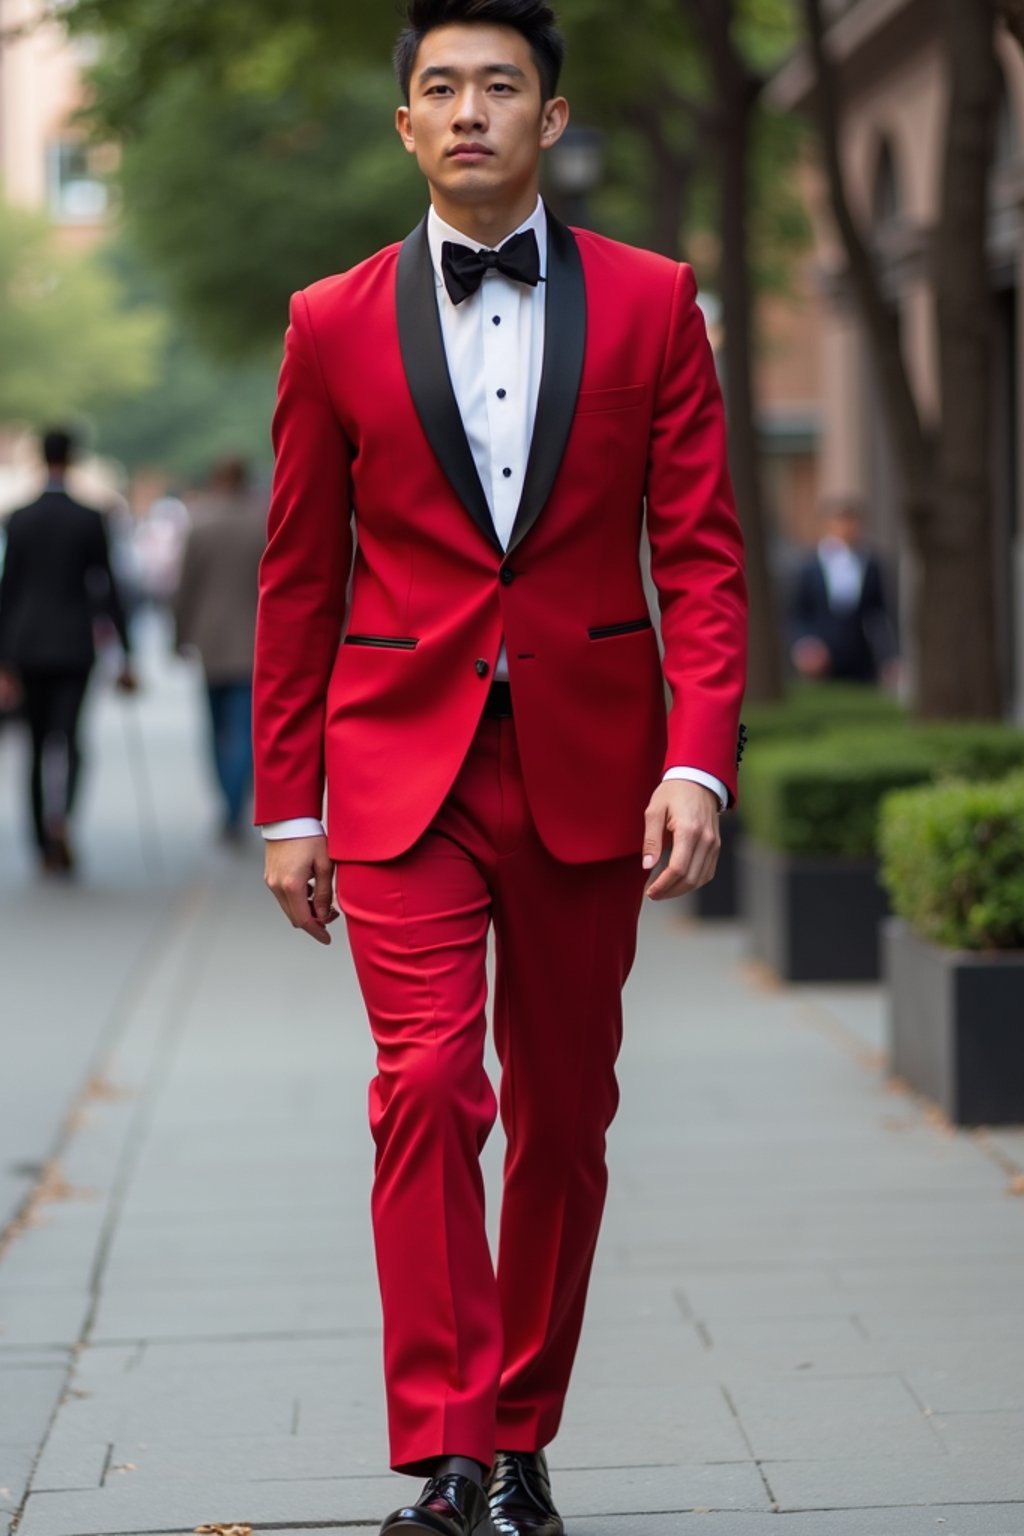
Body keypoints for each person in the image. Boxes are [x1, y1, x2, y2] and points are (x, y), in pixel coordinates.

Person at [253, 3, 748, 1533]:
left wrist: (699, 764)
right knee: (424, 1089)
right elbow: (296, 579)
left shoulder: (658, 302)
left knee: (565, 1113)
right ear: (405, 126)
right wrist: (288, 804)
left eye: (501, 85)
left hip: (593, 772)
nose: (470, 110)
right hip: (400, 768)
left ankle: (522, 1432)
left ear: (550, 116)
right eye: (440, 88)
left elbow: (707, 565)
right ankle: (450, 1451)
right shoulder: (328, 320)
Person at [0, 428, 135, 873]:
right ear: (73, 458)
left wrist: (3, 658)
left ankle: (41, 838)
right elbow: (108, 585)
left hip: (27, 644)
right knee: (71, 738)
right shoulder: (90, 517)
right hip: (75, 644)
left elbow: (9, 590)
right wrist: (125, 653)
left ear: (41, 457)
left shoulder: (19, 518)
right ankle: (64, 823)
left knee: (37, 745)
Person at [174, 456, 265, 842]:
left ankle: (227, 805)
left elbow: (184, 589)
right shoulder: (265, 523)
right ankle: (235, 805)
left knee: (215, 730)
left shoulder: (200, 524)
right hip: (255, 639)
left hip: (209, 641)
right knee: (246, 729)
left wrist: (178, 637)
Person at [789, 499, 898, 685]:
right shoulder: (810, 565)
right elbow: (799, 612)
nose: (846, 528)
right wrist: (806, 645)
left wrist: (890, 656)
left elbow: (879, 613)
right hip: (821, 653)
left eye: (851, 522)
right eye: (840, 521)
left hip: (860, 654)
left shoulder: (871, 564)